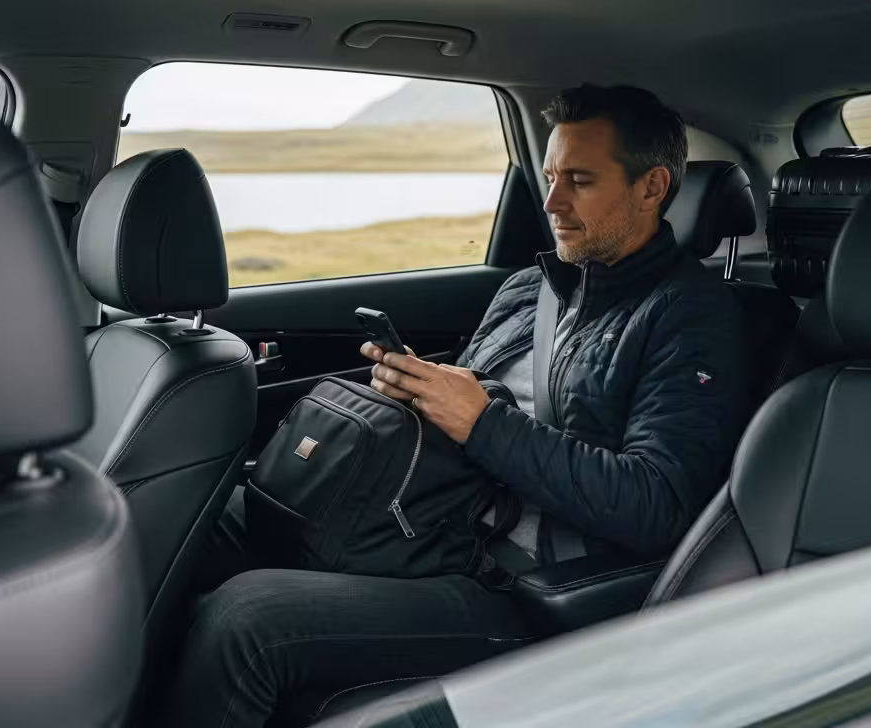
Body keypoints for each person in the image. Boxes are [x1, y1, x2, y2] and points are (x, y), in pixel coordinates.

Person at [163, 84, 752, 727]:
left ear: (651, 187)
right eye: (550, 176)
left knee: (247, 617)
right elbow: (472, 406)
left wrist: (480, 421)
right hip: (430, 521)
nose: (552, 202)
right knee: (192, 524)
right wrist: (423, 389)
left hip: (515, 583)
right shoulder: (531, 287)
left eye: (579, 181)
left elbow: (657, 504)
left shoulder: (692, 315)